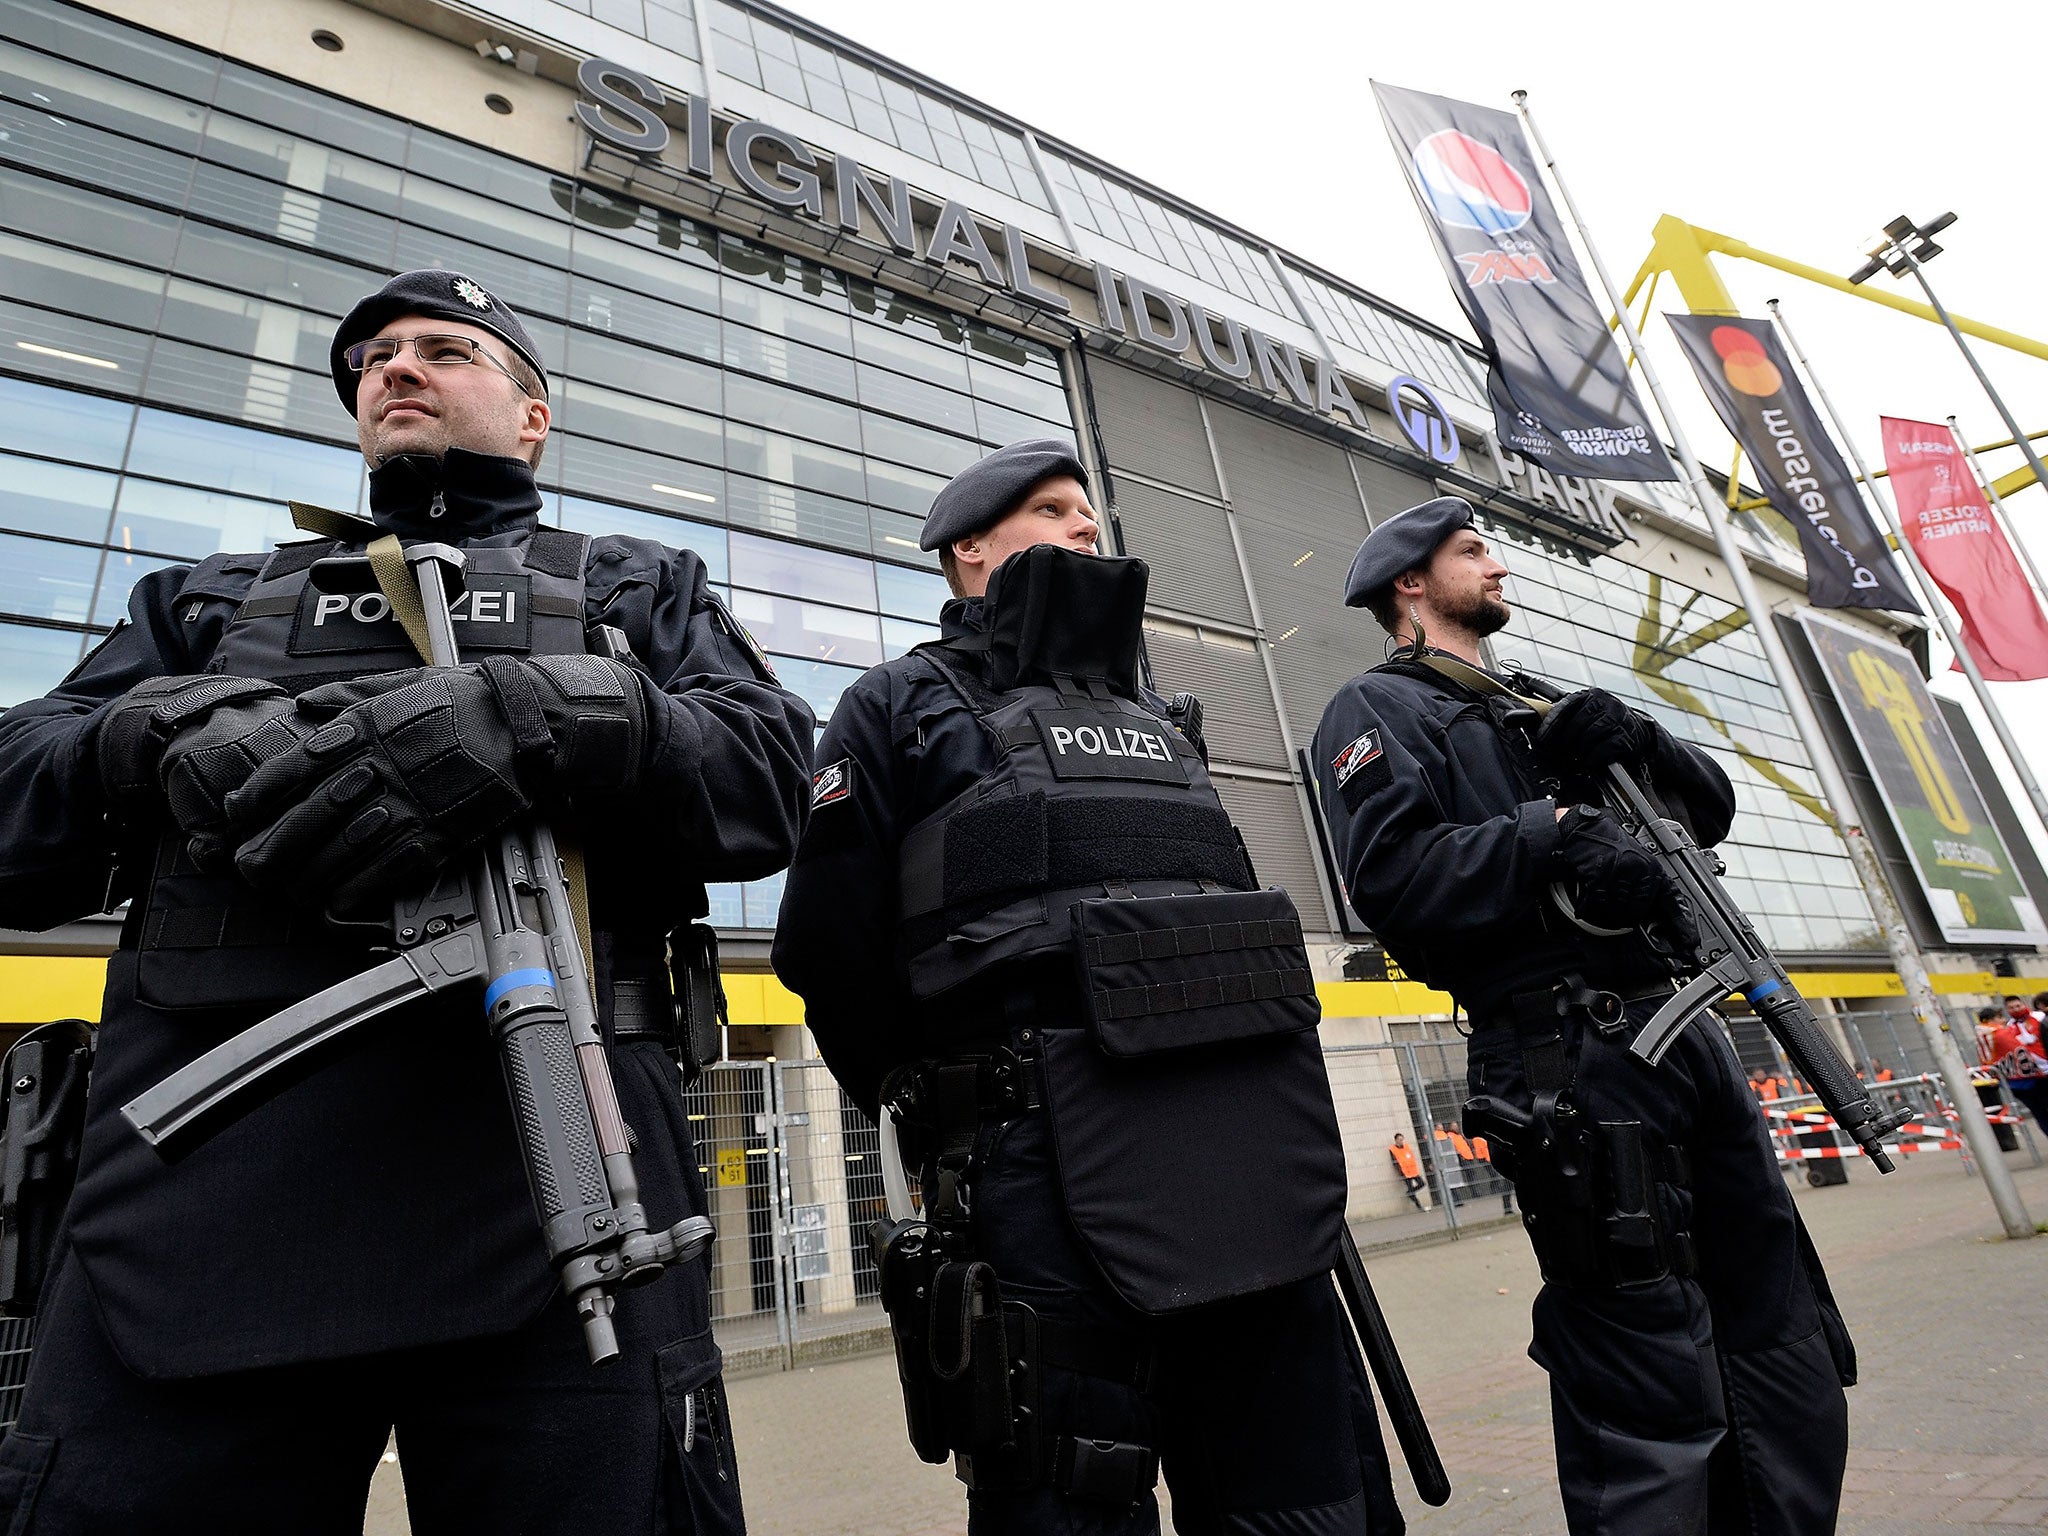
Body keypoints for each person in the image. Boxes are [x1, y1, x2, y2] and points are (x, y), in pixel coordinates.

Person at [0, 271, 816, 1533]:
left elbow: (766, 783)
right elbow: (13, 806)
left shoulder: (630, 586)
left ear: (533, 416)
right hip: (202, 1195)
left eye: (446, 349)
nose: (397, 367)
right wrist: (146, 733)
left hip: (563, 1169)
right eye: (375, 357)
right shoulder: (209, 603)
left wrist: (543, 712)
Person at [773, 440, 1402, 1533]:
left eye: (1088, 509)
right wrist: (953, 1100)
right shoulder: (895, 703)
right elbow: (827, 949)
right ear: (968, 549)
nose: (1084, 528)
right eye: (1053, 509)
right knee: (1068, 1492)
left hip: (1241, 1152)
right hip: (1036, 1162)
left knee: (1304, 1498)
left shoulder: (1165, 721)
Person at [1311, 497, 1855, 1536]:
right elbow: (1390, 877)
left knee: (1773, 1327)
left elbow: (1704, 813)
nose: (1497, 564)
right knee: (1643, 1362)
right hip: (1567, 1048)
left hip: (1677, 1026)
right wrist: (1546, 835)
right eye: (1472, 551)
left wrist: (1640, 734)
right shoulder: (1377, 711)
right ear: (1409, 584)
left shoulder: (1540, 698)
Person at [1389, 1132, 1427, 1210]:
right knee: (1410, 1187)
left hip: (1412, 1170)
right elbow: (1394, 1161)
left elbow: (1411, 1157)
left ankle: (1410, 1193)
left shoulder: (1406, 1147)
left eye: (1402, 1139)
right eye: (1399, 1140)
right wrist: (1400, 1171)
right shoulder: (1393, 1149)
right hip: (1404, 1172)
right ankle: (1418, 1205)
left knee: (1421, 1183)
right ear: (1396, 1140)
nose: (1401, 1141)